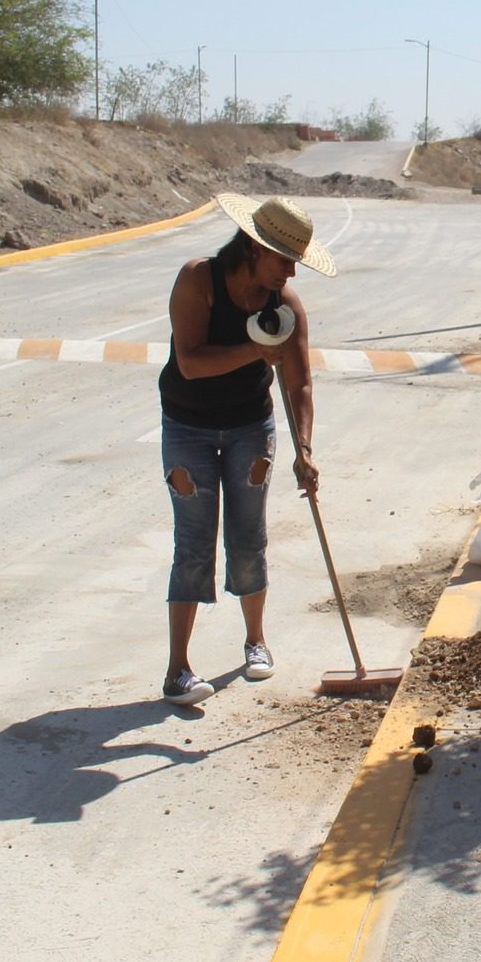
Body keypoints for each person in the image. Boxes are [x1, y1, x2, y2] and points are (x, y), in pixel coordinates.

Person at [155, 193, 336, 706]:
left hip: (249, 429)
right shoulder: (198, 280)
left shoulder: (285, 308)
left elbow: (299, 385)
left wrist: (304, 447)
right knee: (193, 542)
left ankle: (256, 642)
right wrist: (254, 352)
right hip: (187, 427)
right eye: (285, 261)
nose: (292, 274)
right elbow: (189, 362)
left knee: (248, 537)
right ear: (254, 247)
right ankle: (178, 670)